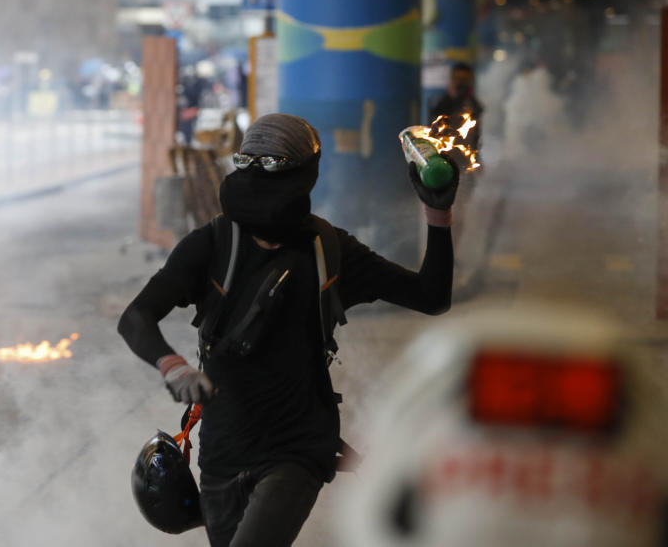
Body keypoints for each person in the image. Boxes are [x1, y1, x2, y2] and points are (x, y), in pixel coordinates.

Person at [118, 113, 457, 547]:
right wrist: (173, 367)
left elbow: (431, 296)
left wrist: (437, 212)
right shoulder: (212, 245)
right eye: (251, 165)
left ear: (303, 177)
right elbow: (136, 317)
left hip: (297, 450)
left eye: (273, 167)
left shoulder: (330, 251)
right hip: (221, 455)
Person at [429, 62, 484, 155]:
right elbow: (434, 123)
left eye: (465, 79)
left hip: (467, 155)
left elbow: (476, 136)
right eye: (458, 78)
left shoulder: (473, 104)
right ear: (452, 80)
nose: (461, 83)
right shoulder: (444, 102)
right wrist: (451, 97)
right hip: (446, 154)